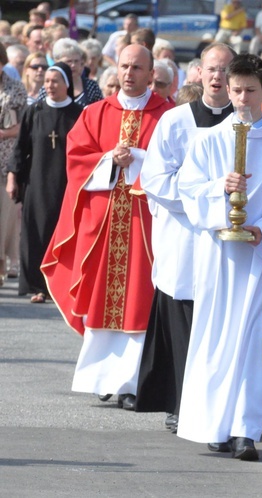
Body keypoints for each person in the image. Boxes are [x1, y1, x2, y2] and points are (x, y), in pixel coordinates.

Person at [176, 53, 262, 460]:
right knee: (216, 340)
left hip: (258, 259)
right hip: (218, 256)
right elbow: (189, 191)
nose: (243, 100)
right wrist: (220, 186)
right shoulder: (208, 141)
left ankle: (245, 430)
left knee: (254, 343)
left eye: (252, 91)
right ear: (226, 90)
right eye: (236, 91)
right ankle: (214, 424)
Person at [40, 44, 172, 410]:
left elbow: (178, 164)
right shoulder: (96, 113)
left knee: (140, 300)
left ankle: (133, 382)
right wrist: (108, 160)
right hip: (105, 224)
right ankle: (102, 378)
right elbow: (77, 160)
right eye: (124, 66)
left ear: (151, 74)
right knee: (102, 298)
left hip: (146, 225)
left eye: (137, 68)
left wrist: (140, 159)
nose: (129, 73)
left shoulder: (169, 116)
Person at [135, 43, 235, 434]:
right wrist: (207, 197)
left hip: (226, 242)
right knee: (183, 326)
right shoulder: (175, 121)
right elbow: (155, 180)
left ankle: (215, 407)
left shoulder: (247, 124)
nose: (217, 77)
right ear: (198, 73)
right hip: (185, 238)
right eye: (211, 69)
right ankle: (178, 402)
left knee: (217, 329)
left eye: (225, 70)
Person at [6, 62, 83, 302]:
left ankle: (61, 287)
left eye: (55, 81)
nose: (49, 85)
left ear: (66, 84)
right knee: (35, 233)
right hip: (36, 182)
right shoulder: (34, 111)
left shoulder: (79, 114)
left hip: (66, 183)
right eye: (47, 81)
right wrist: (12, 178)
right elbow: (20, 148)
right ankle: (37, 286)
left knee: (63, 235)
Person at [0, 45, 27, 286]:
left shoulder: (15, 88)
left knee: (4, 217)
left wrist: (2, 133)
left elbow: (21, 126)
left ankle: (3, 264)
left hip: (5, 159)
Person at [38, 38, 103, 107]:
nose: (73, 65)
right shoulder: (48, 87)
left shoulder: (91, 86)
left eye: (76, 61)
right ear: (57, 62)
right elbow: (40, 111)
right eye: (69, 61)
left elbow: (100, 110)